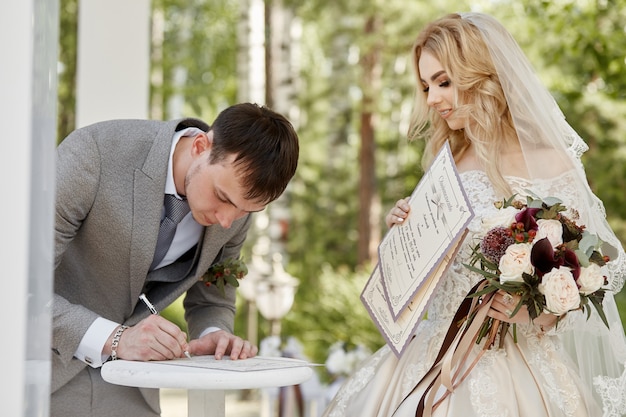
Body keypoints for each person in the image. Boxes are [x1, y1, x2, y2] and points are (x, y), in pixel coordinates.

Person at [322, 13, 626, 417]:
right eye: (426, 85)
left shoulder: (553, 163)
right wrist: (402, 234)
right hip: (432, 355)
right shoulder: (447, 161)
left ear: (482, 76)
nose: (431, 99)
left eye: (443, 82)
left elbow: (601, 271)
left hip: (523, 367)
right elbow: (421, 280)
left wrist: (541, 314)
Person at [51, 102, 300, 416]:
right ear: (200, 146)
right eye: (222, 197)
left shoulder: (234, 214)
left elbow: (212, 301)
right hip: (41, 376)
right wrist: (117, 339)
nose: (227, 220)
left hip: (134, 391)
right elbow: (17, 285)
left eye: (245, 211)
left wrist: (214, 336)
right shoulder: (94, 154)